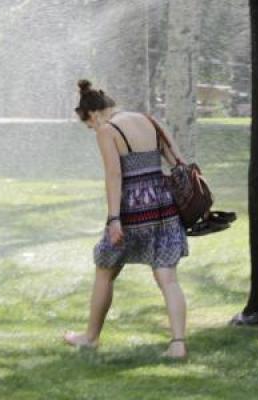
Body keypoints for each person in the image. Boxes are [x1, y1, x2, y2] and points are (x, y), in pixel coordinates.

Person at [63, 79, 190, 359]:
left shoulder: (108, 130)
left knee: (105, 268)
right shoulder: (149, 120)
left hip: (132, 209)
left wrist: (114, 219)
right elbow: (178, 161)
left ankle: (90, 338)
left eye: (89, 125)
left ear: (93, 114)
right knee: (167, 276)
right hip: (164, 205)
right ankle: (178, 344)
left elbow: (114, 175)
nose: (92, 130)